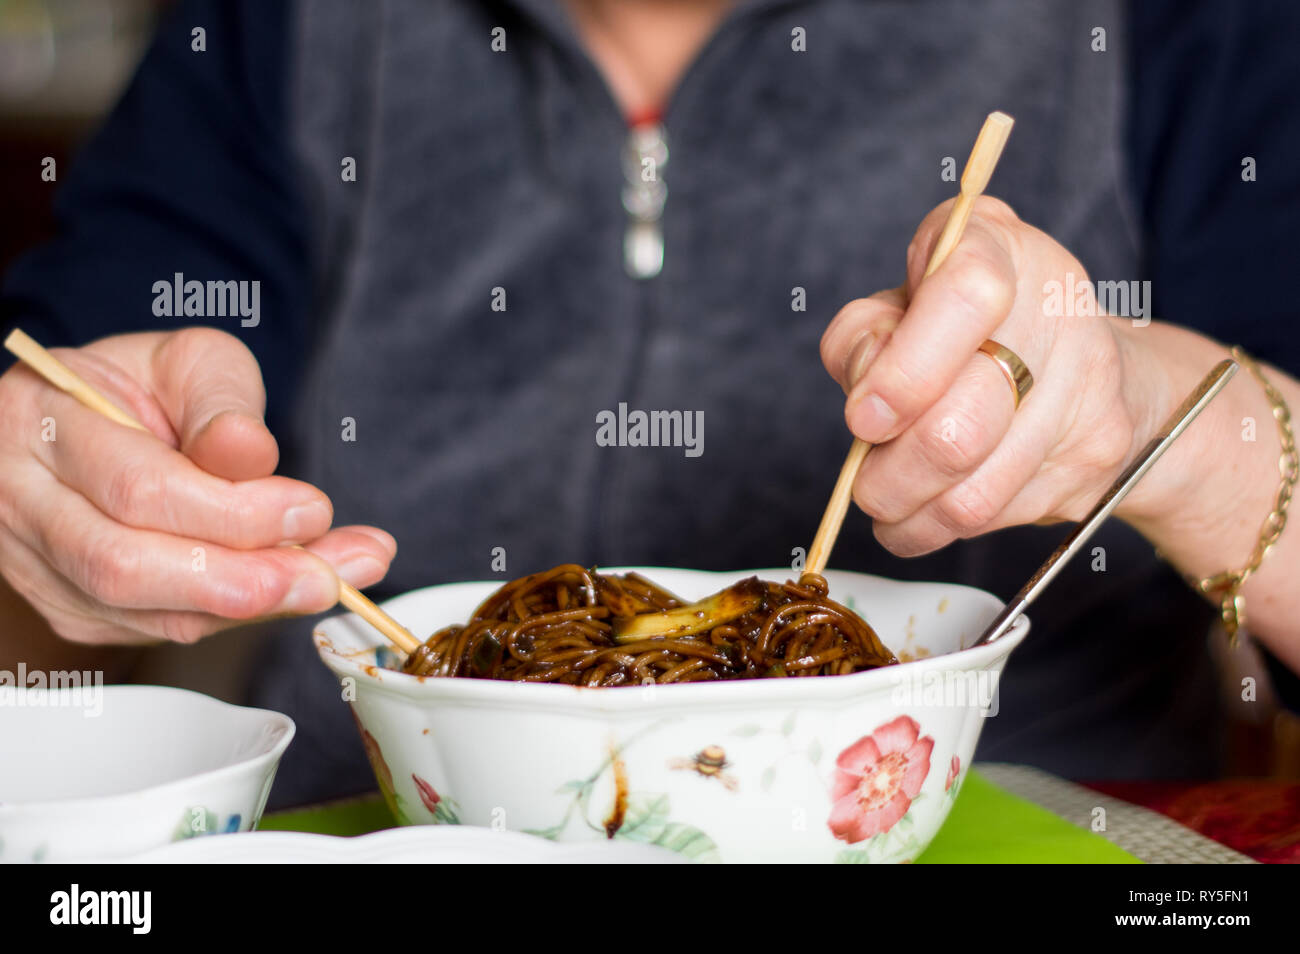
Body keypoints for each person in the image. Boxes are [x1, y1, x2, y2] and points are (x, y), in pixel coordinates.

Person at [2, 0, 1298, 807]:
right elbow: (55, 560)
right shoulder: (270, 22)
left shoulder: (1181, 22)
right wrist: (60, 508)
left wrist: (1160, 416)